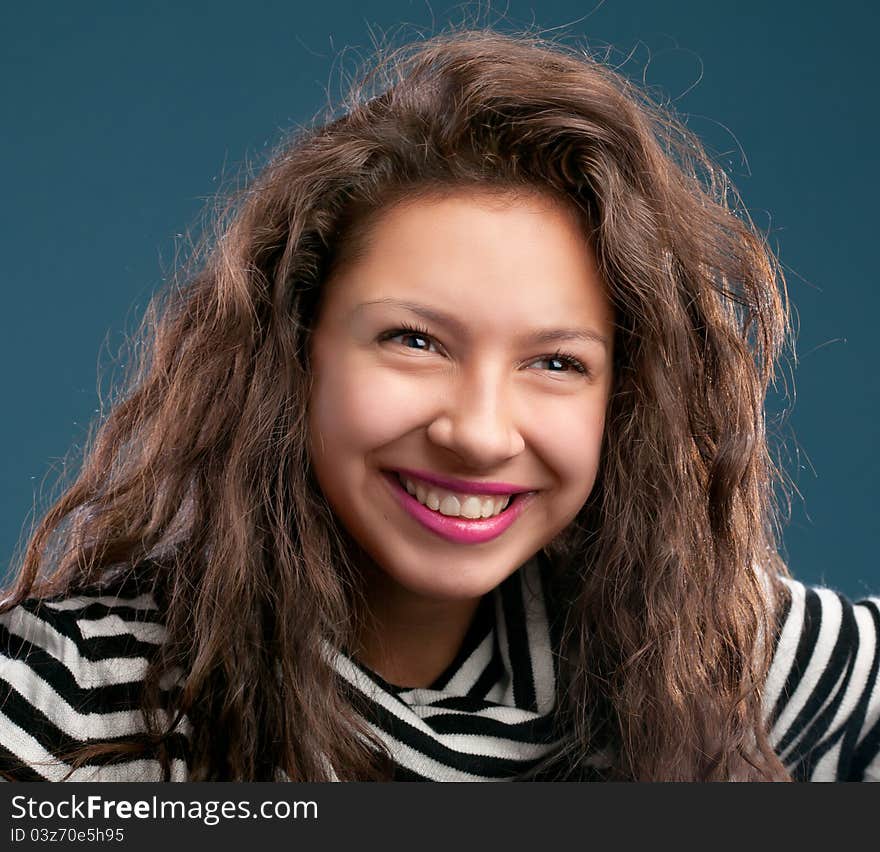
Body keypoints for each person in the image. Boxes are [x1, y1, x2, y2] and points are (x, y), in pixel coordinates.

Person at [1, 30, 877, 783]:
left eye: (558, 362)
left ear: (627, 398)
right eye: (416, 341)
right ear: (295, 346)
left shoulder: (698, 650)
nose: (480, 433)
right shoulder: (66, 698)